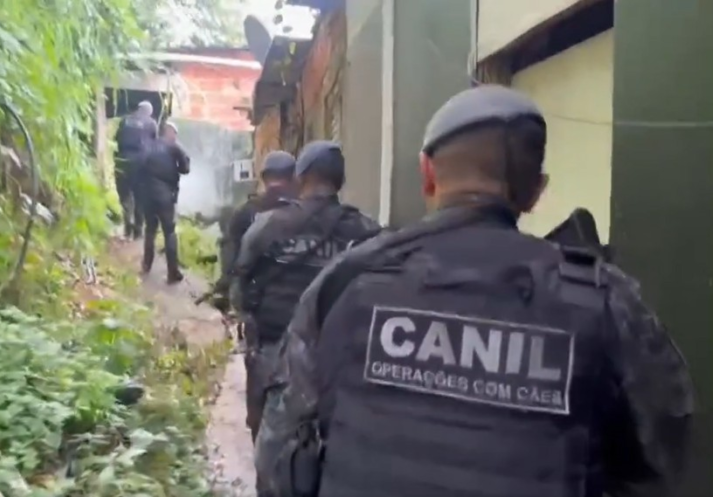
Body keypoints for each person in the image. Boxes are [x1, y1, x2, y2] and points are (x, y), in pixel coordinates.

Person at [253, 85, 694, 497]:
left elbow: (279, 459)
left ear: (427, 173)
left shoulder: (346, 280)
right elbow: (664, 451)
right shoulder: (605, 299)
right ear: (535, 192)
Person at [233, 141, 380, 494]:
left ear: (301, 177)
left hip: (273, 355)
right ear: (340, 180)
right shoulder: (366, 232)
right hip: (337, 362)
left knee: (269, 445)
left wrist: (247, 323)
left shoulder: (268, 225)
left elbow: (240, 280)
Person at [210, 151, 298, 324]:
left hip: (257, 303)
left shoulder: (246, 212)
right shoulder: (306, 212)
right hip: (299, 305)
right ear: (294, 178)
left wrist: (224, 286)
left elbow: (230, 255)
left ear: (264, 178)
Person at [138, 120, 190, 284]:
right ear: (171, 133)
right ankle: (172, 272)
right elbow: (185, 169)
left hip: (147, 194)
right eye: (174, 134)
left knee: (150, 230)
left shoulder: (148, 145)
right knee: (169, 232)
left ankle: (146, 266)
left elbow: (140, 166)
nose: (175, 136)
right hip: (165, 196)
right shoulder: (174, 147)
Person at [114, 101, 157, 239]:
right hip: (142, 163)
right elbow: (155, 145)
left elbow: (117, 138)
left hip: (123, 160)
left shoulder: (125, 120)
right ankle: (138, 231)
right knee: (140, 197)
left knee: (124, 195)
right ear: (149, 112)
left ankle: (128, 227)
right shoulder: (151, 123)